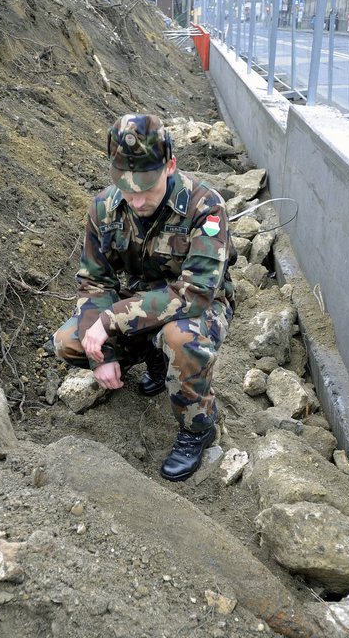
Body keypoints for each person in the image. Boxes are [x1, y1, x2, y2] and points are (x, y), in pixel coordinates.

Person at [53, 114, 237, 481]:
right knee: (68, 342)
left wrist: (111, 321)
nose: (136, 200)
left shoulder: (205, 207)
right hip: (137, 300)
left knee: (179, 338)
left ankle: (197, 428)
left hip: (198, 305)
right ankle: (153, 358)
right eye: (127, 187)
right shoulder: (104, 208)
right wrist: (100, 353)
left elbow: (195, 293)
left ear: (170, 165)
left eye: (146, 188)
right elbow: (94, 282)